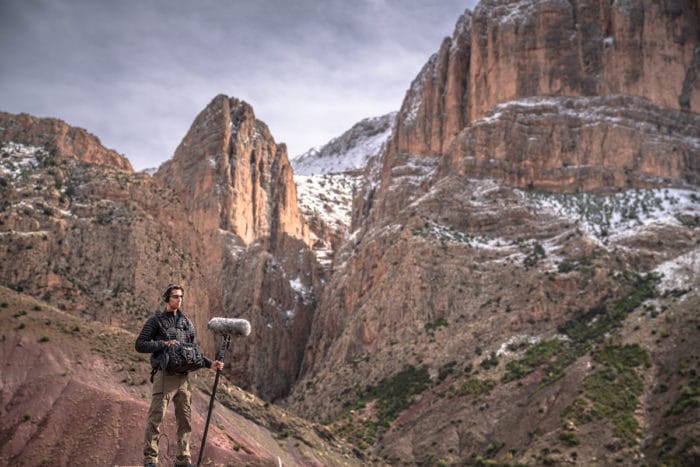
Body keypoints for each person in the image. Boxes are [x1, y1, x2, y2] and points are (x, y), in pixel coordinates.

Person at [135, 284, 224, 467]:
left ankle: (183, 459)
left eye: (181, 296)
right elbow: (140, 344)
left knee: (185, 420)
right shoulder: (156, 321)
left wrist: (210, 364)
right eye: (175, 296)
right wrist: (164, 343)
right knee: (156, 417)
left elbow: (194, 352)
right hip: (165, 376)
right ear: (167, 298)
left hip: (183, 379)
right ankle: (150, 459)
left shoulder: (187, 323)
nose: (179, 299)